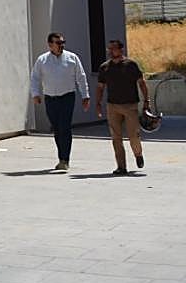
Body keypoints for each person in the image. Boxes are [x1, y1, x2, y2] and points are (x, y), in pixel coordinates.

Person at [30, 32, 90, 171]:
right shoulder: (42, 60)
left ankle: (65, 159)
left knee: (65, 127)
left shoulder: (72, 58)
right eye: (58, 43)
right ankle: (61, 157)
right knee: (56, 128)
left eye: (63, 42)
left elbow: (81, 77)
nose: (61, 45)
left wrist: (85, 95)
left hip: (67, 97)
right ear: (50, 45)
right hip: (50, 98)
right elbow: (35, 77)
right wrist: (35, 94)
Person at [95, 39, 150, 175]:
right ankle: (121, 166)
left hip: (130, 105)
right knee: (116, 138)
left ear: (121, 50)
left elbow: (141, 83)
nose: (111, 51)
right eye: (109, 49)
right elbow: (100, 87)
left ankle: (138, 154)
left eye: (114, 48)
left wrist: (146, 101)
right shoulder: (105, 67)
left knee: (133, 135)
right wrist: (98, 103)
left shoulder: (131, 65)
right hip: (112, 106)